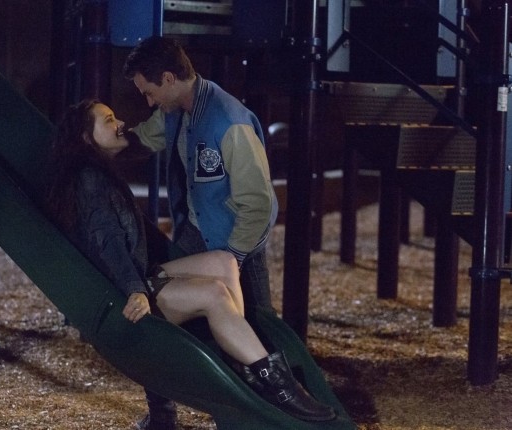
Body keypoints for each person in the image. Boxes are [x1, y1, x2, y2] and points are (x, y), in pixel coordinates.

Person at [42, 99, 336, 426]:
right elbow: (107, 241)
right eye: (109, 120)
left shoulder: (100, 173)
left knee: (224, 262)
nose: (120, 123)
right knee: (214, 294)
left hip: (135, 277)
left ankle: (239, 357)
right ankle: (277, 385)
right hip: (122, 297)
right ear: (86, 137)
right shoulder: (89, 179)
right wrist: (135, 290)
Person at [123, 36, 278, 429]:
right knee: (158, 319)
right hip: (197, 232)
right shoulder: (177, 110)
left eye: (149, 91)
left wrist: (233, 259)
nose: (149, 101)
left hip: (239, 241)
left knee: (257, 333)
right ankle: (162, 415)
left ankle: (258, 419)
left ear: (169, 78)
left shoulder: (229, 122)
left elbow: (259, 204)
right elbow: (144, 137)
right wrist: (103, 140)